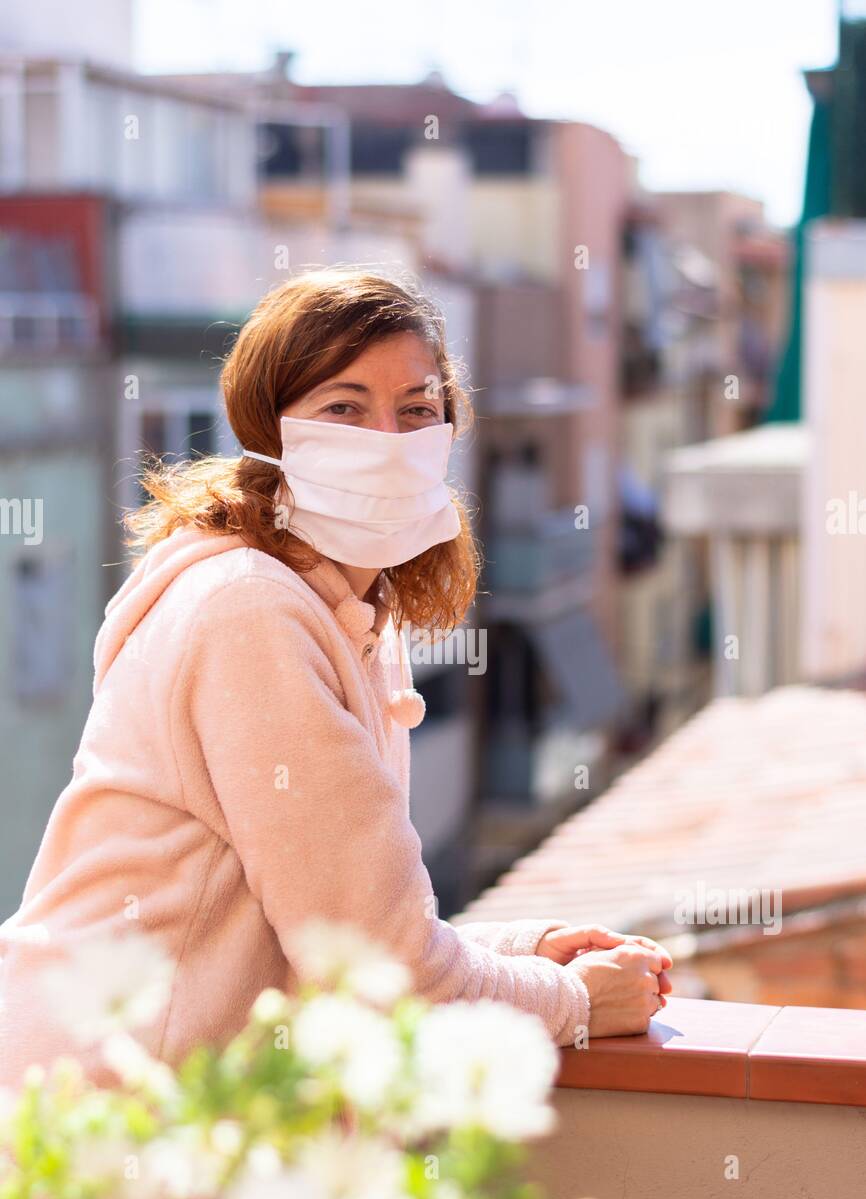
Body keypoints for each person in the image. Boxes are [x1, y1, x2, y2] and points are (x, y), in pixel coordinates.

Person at [0, 268, 671, 1093]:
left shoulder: (345, 609)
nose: (387, 439)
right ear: (269, 432)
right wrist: (572, 1002)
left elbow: (341, 923)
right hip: (122, 1138)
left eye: (417, 410)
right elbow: (383, 975)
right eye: (344, 408)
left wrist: (517, 953)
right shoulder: (253, 612)